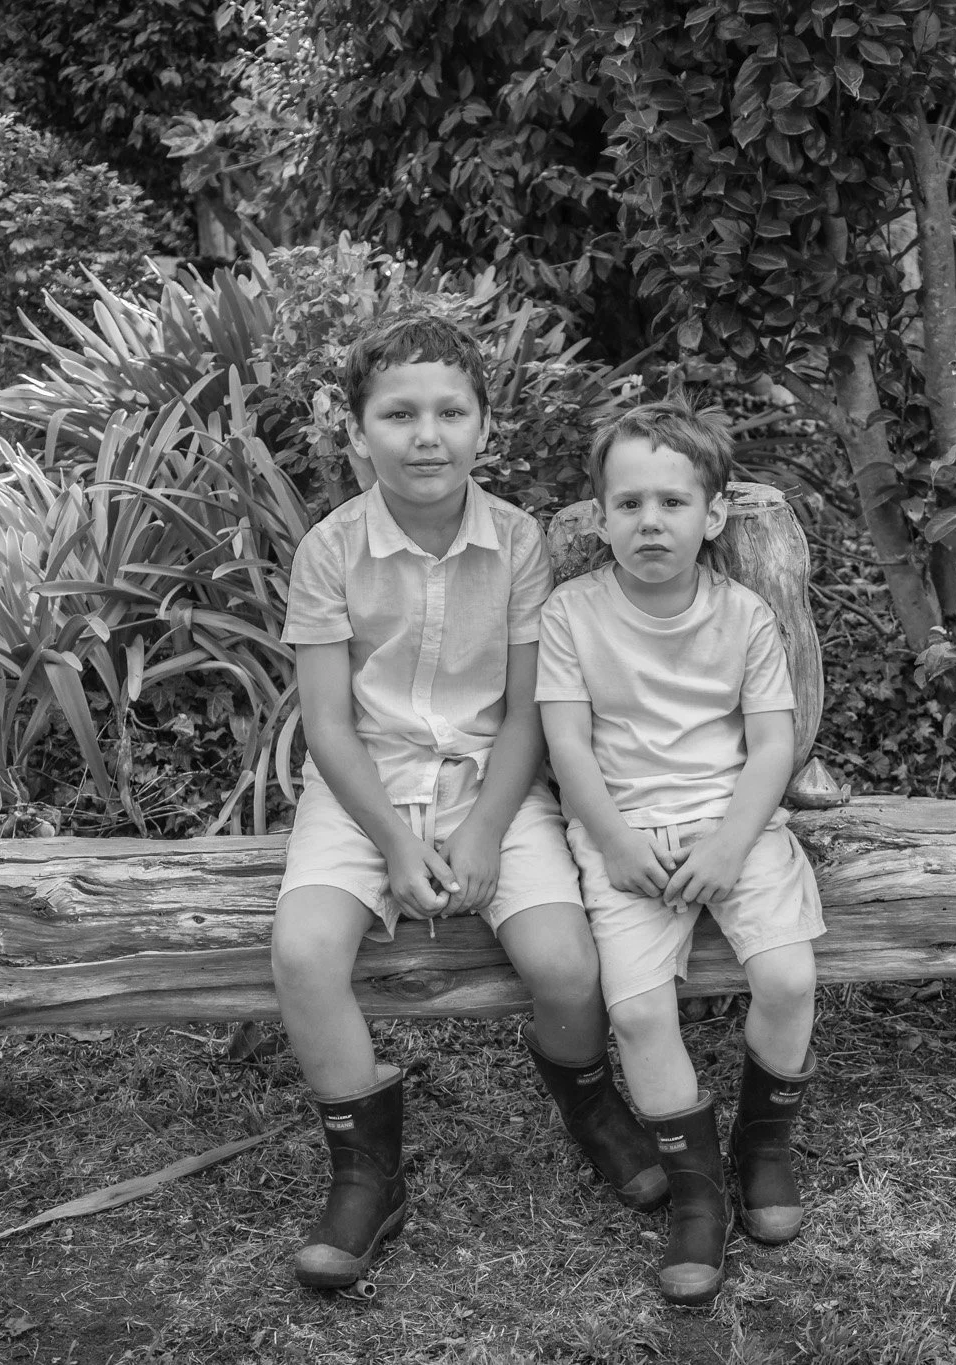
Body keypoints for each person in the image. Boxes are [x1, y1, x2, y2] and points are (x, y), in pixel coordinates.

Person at [271, 314, 663, 1291]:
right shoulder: (328, 551)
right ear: (357, 432)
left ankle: (586, 1099)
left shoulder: (518, 543)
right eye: (397, 413)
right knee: (305, 953)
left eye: (451, 411)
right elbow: (325, 725)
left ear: (485, 428)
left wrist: (485, 827)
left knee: (566, 967)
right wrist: (395, 850)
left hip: (491, 776)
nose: (425, 435)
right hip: (361, 784)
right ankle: (365, 1171)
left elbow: (530, 708)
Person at [537, 400, 825, 1306]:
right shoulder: (571, 615)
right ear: (600, 517)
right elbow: (568, 746)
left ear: (715, 515)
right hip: (623, 837)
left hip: (736, 824)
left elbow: (772, 745)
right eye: (628, 504)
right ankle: (696, 1192)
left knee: (787, 980)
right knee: (639, 1015)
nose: (649, 522)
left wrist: (735, 841)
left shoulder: (742, 614)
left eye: (671, 502)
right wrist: (615, 843)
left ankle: (762, 1149)